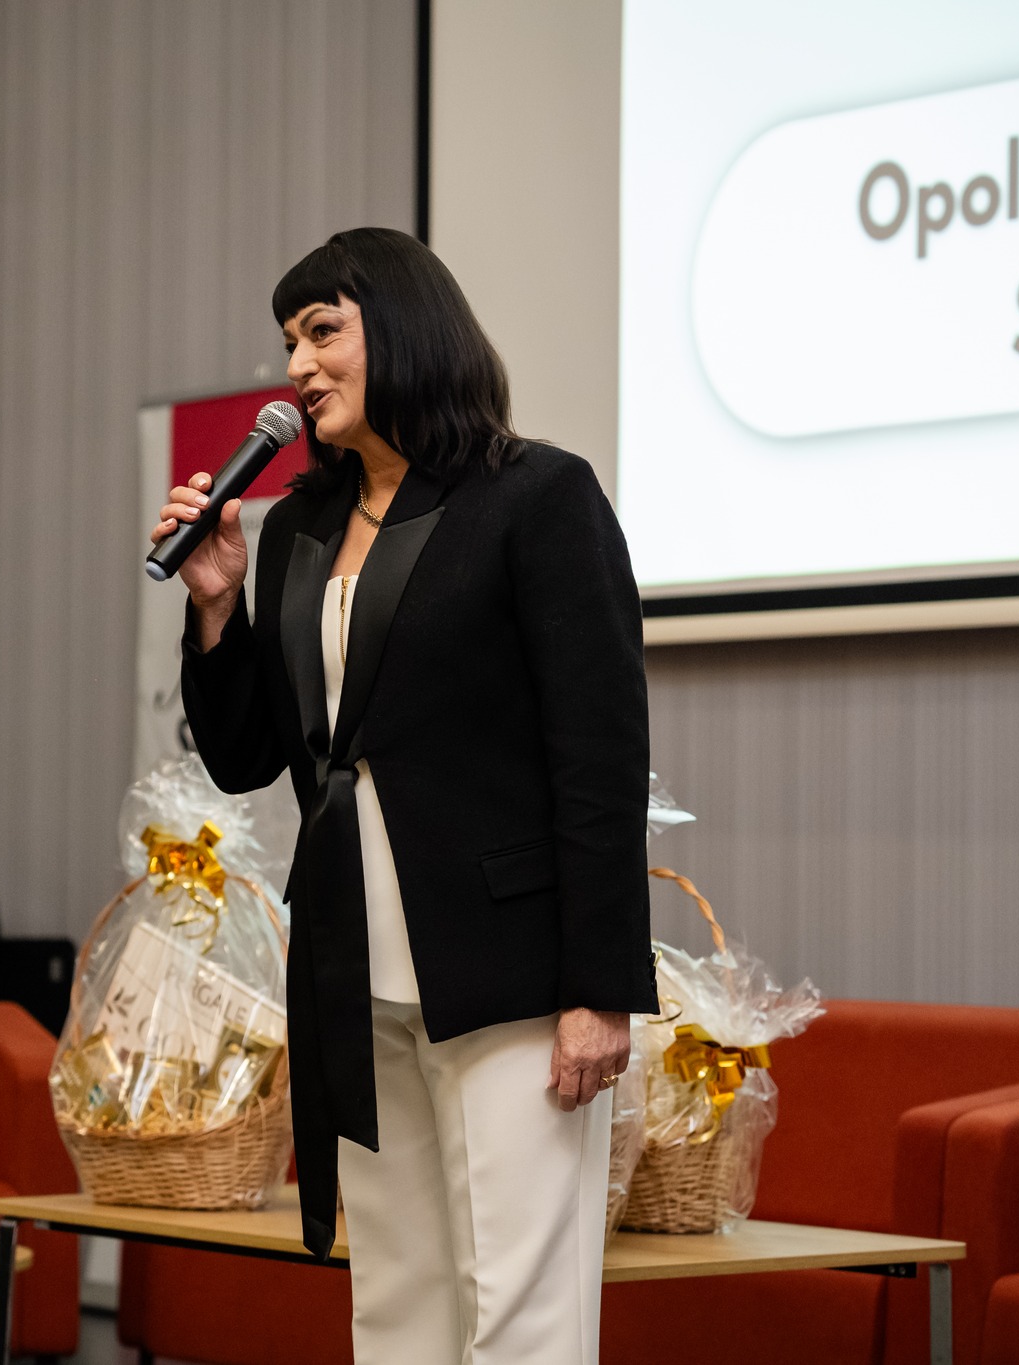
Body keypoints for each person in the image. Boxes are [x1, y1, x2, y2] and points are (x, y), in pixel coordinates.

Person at [149, 226, 655, 1364]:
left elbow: (598, 758)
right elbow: (247, 755)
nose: (296, 365)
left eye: (322, 330)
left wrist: (599, 988)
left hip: (509, 974)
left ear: (406, 329)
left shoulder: (537, 496)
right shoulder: (296, 526)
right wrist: (217, 607)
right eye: (288, 340)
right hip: (350, 968)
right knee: (396, 1299)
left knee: (520, 1309)